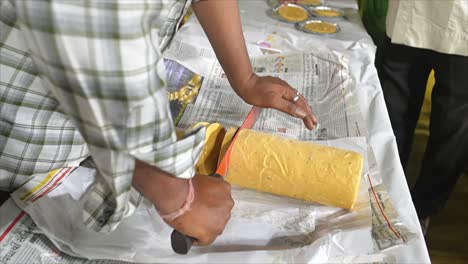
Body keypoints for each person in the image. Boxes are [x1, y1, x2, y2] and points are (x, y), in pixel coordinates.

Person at [0, 0, 318, 247]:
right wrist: (177, 194)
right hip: (19, 145)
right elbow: (93, 30)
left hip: (78, 145)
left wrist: (245, 78)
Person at [379, 0, 468, 234]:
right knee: (390, 114)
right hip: (408, 15)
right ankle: (382, 197)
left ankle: (422, 211)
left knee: (451, 128)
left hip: (463, 22)